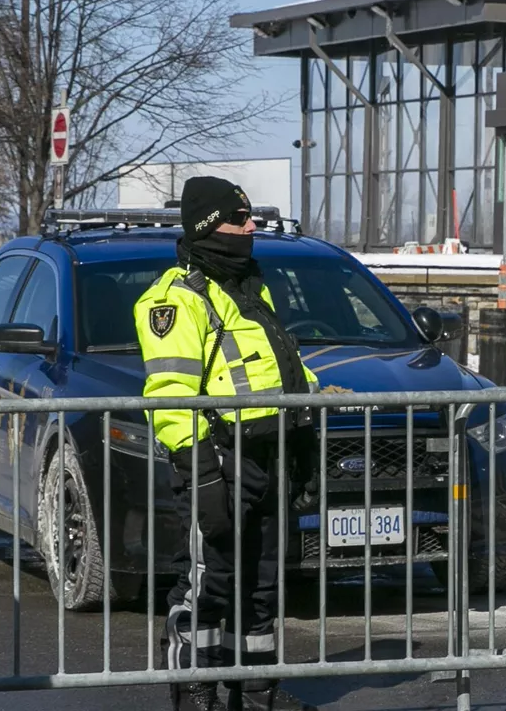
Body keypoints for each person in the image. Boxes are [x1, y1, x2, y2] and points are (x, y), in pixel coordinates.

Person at [135, 176, 319, 711]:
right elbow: (170, 396)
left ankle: (255, 689)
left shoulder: (249, 289)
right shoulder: (175, 299)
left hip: (268, 454)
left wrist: (304, 438)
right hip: (219, 457)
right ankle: (194, 689)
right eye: (240, 219)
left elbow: (285, 373)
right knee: (207, 581)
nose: (251, 226)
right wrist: (202, 473)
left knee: (261, 583)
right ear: (209, 227)